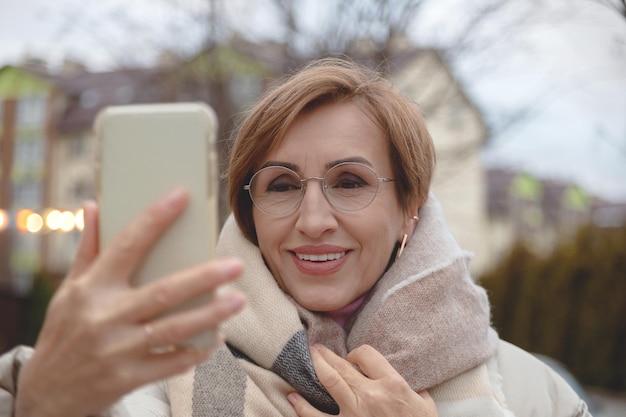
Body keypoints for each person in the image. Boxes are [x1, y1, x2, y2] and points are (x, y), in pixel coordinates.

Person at [0, 58, 592, 417]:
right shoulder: (123, 368)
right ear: (249, 209)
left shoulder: (533, 396)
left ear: (409, 207)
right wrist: (43, 405)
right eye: (281, 185)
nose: (313, 219)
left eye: (350, 181)